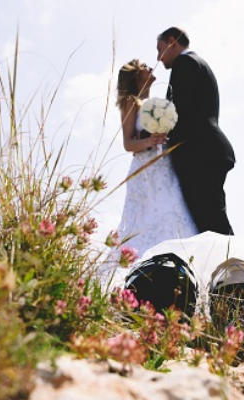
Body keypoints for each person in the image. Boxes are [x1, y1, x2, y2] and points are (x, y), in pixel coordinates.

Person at [100, 59, 199, 289]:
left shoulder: (157, 103)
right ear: (136, 75)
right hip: (145, 171)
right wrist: (149, 140)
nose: (150, 67)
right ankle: (140, 281)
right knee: (145, 222)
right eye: (144, 65)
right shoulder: (130, 103)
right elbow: (127, 143)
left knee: (175, 213)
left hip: (164, 167)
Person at [156, 27, 236, 235]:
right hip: (208, 151)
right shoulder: (198, 64)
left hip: (200, 154)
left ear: (172, 41)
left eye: (160, 49)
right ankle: (231, 266)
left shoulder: (185, 63)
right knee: (211, 221)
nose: (159, 57)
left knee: (211, 224)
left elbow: (177, 111)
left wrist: (151, 132)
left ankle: (237, 266)